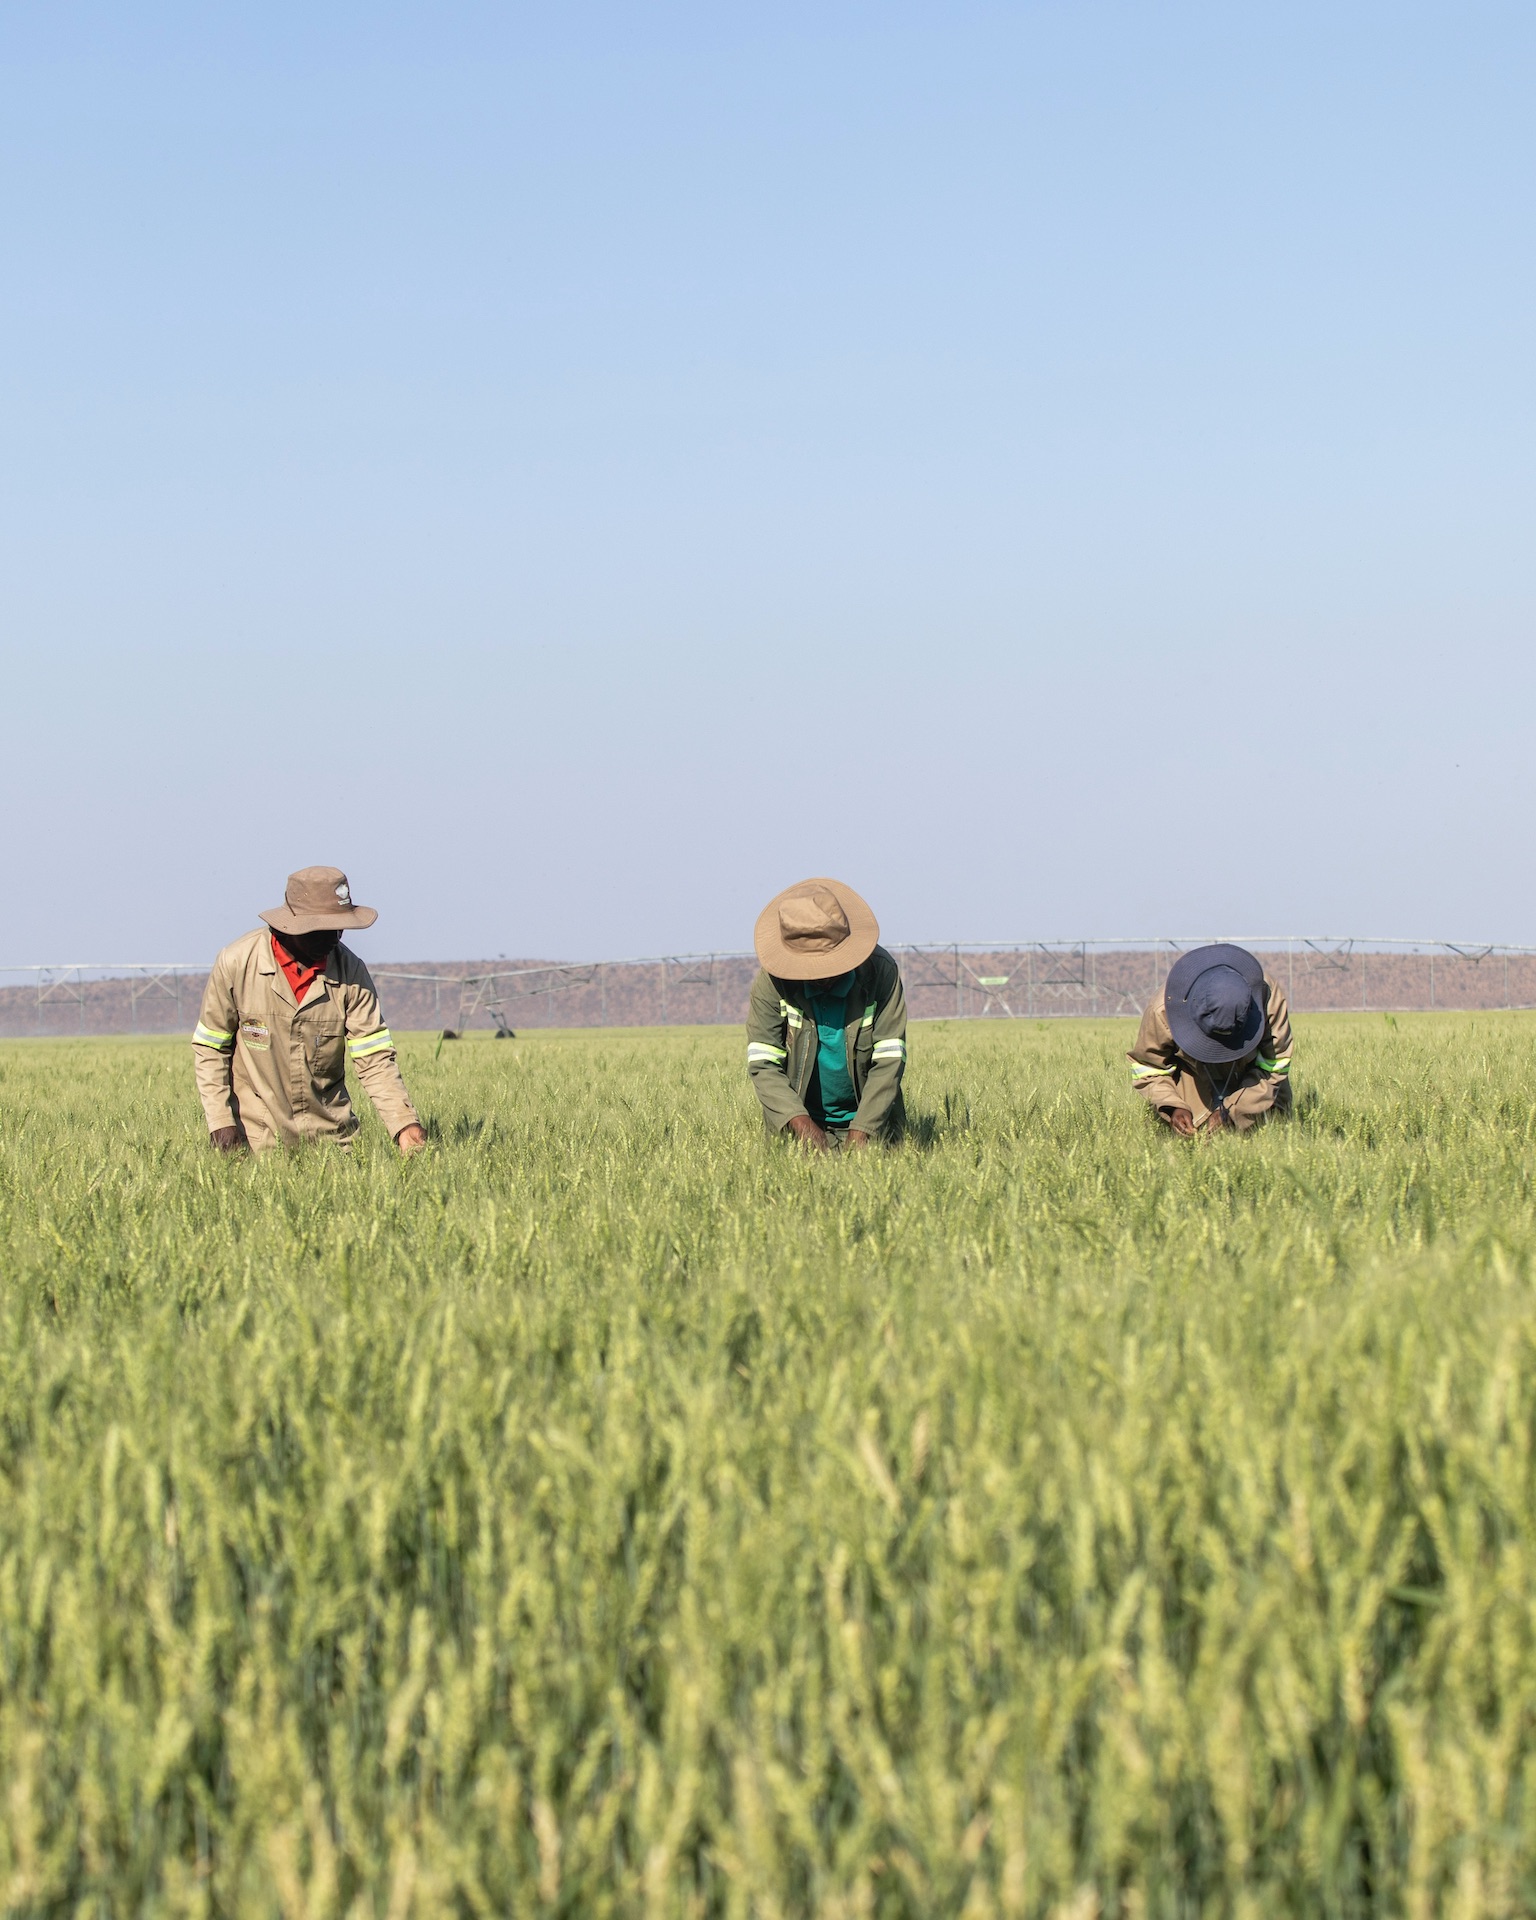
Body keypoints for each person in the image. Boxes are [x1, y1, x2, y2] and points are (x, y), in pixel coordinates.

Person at [192, 866, 427, 1155]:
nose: (335, 937)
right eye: (323, 928)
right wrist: (220, 1121)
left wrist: (404, 1123)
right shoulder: (237, 962)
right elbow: (210, 1047)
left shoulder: (351, 971)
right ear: (290, 925)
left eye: (340, 927)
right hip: (255, 1139)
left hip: (332, 1141)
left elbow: (374, 1057)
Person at [746, 877, 908, 1149]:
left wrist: (862, 1131)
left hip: (874, 1128)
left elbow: (889, 1060)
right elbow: (763, 1064)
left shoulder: (881, 973)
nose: (820, 975)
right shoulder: (771, 983)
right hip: (798, 1131)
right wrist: (803, 1126)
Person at [1129, 942, 1292, 1136]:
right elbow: (1148, 1068)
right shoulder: (1162, 1011)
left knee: (1272, 1128)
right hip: (1193, 1081)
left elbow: (1274, 1066)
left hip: (1253, 1084)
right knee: (1186, 1140)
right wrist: (1172, 1106)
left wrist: (1235, 1112)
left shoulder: (1267, 998)